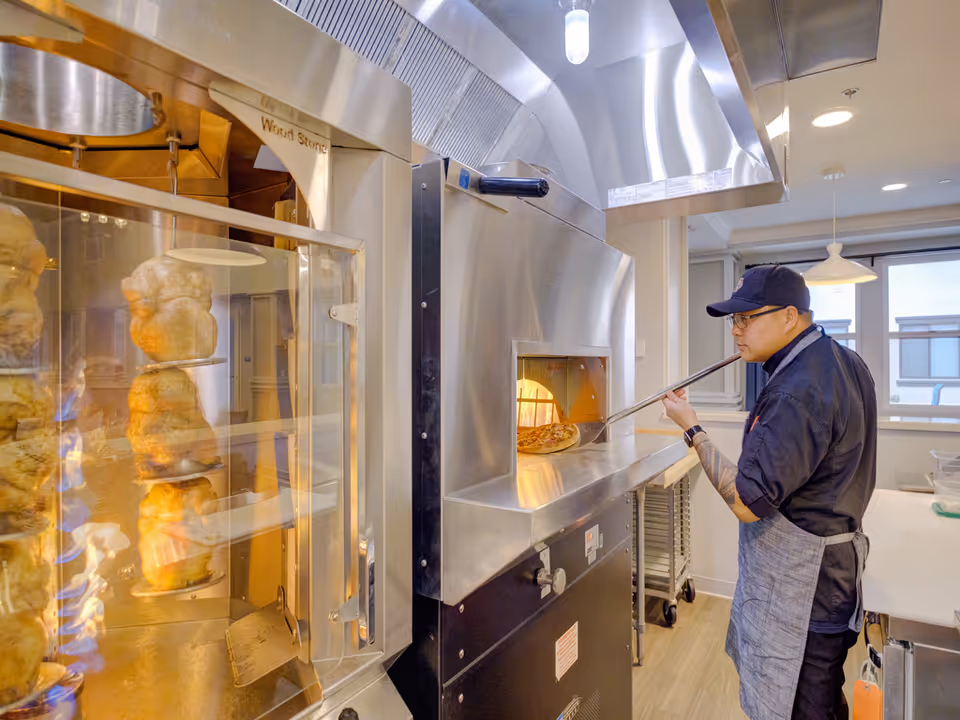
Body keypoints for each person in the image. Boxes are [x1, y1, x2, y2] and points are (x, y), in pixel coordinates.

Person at [662, 265, 876, 720]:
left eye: (747, 319)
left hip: (807, 590)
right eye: (732, 321)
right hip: (836, 573)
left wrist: (692, 428)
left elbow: (745, 502)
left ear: (790, 317)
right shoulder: (843, 360)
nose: (736, 331)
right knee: (823, 692)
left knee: (804, 706)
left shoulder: (796, 392)